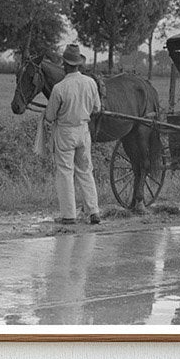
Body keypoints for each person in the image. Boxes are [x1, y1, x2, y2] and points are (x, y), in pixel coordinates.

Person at [44, 44, 101, 226]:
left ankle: (69, 215)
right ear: (78, 64)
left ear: (64, 64)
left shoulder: (59, 88)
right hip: (84, 131)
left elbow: (51, 116)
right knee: (85, 171)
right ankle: (94, 211)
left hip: (65, 132)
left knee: (65, 172)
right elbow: (97, 108)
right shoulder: (91, 83)